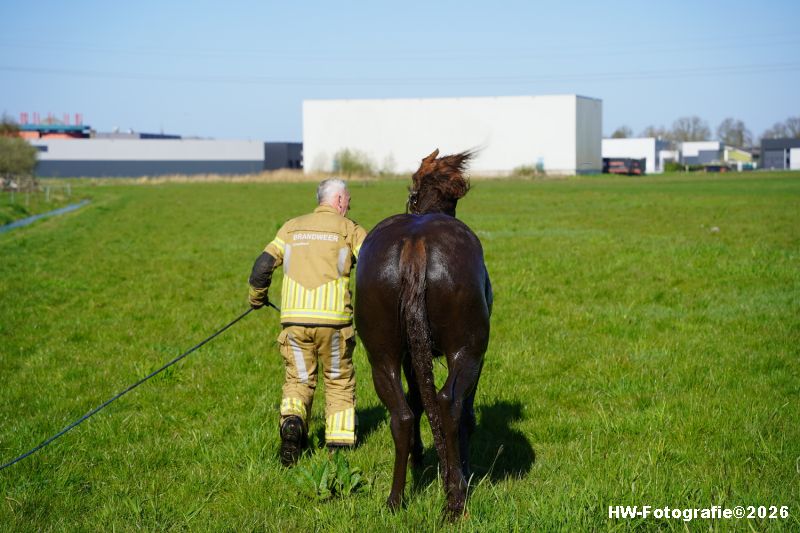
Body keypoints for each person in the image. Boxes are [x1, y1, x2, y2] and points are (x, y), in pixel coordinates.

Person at [248, 178, 367, 466]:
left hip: (295, 323)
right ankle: (338, 448)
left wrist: (257, 297)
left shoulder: (290, 227)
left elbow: (263, 265)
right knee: (338, 381)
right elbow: (374, 262)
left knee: (298, 378)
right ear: (338, 200)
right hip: (335, 324)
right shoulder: (350, 229)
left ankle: (293, 422)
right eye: (347, 199)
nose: (349, 204)